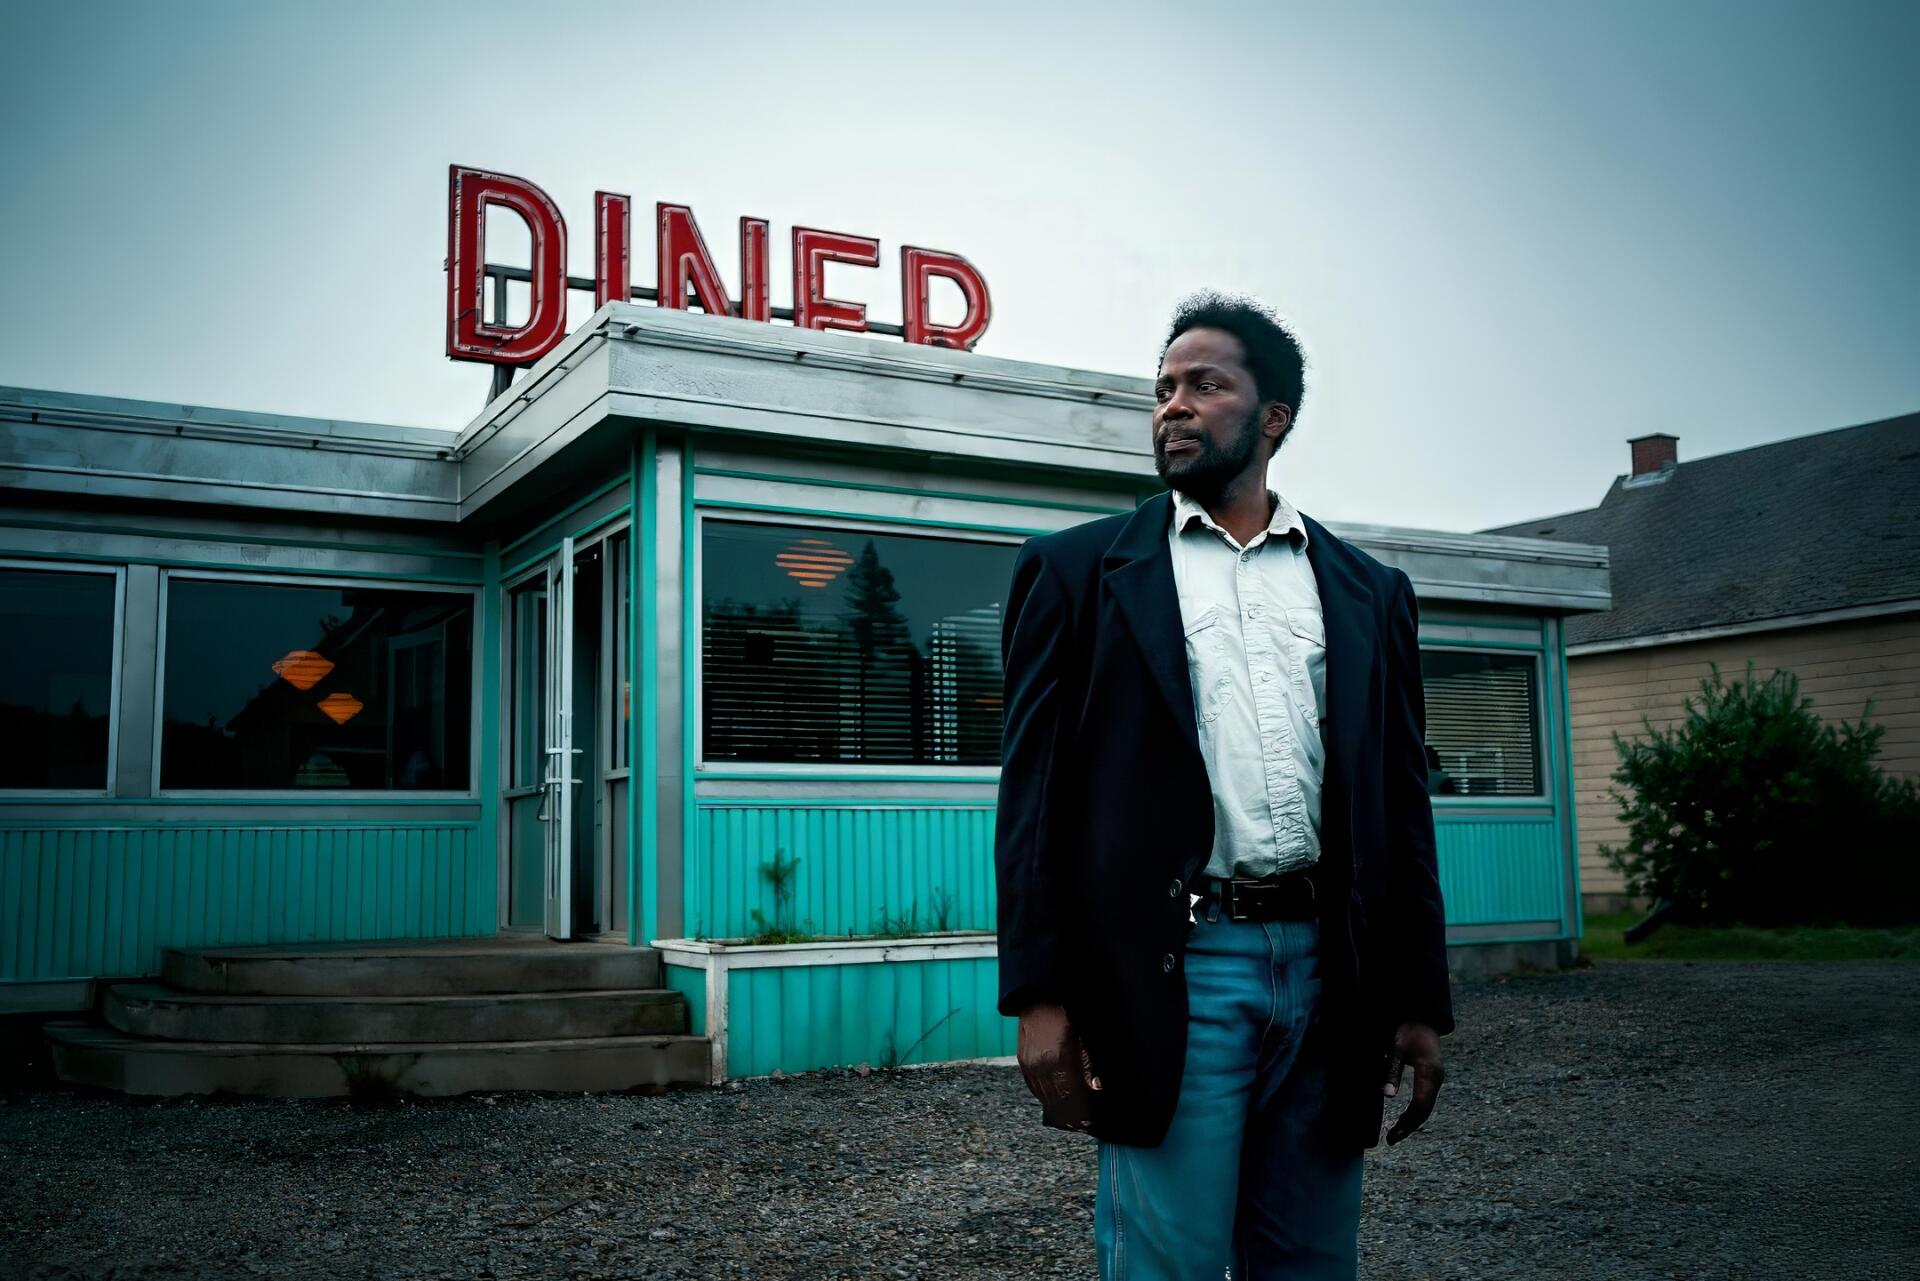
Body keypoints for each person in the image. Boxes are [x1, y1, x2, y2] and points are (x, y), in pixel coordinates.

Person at [993, 292, 1451, 1280]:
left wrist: (1418, 996)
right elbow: (1034, 801)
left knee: (1312, 1258)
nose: (1174, 406)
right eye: (1163, 389)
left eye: (1205, 384)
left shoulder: (1368, 591)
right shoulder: (1079, 574)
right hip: (1180, 970)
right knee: (1169, 1261)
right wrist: (1038, 993)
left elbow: (1398, 806)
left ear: (1274, 415)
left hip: (1333, 972)